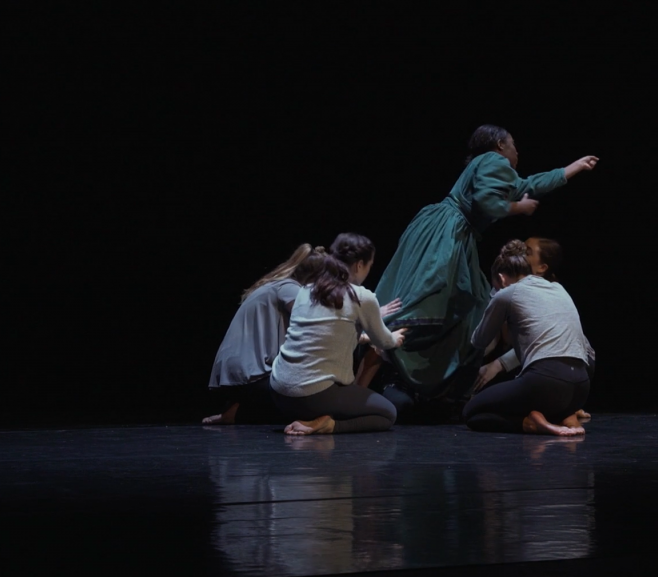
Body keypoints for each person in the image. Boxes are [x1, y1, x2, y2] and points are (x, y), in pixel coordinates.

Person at [372, 124, 599, 410]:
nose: (517, 150)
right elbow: (487, 201)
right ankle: (381, 342)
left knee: (473, 303)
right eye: (513, 144)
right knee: (432, 291)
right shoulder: (493, 160)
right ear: (500, 146)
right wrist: (518, 209)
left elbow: (527, 185)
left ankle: (446, 384)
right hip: (447, 231)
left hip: (455, 233)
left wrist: (571, 168)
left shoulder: (494, 169)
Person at [271, 233, 408, 435]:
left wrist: (363, 337)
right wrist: (395, 339)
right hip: (312, 395)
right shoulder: (361, 296)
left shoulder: (307, 290)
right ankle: (329, 425)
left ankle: (317, 417)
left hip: (279, 391)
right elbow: (384, 341)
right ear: (359, 265)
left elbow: (326, 334)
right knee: (388, 413)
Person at [463, 240, 591, 435]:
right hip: (581, 386)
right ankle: (562, 415)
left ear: (501, 279)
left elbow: (478, 341)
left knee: (471, 413)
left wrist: (496, 297)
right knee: (528, 395)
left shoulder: (506, 294)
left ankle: (530, 423)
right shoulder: (558, 288)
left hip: (546, 381)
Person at [203, 244, 328, 425]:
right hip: (250, 374)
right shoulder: (290, 289)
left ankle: (237, 407)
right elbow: (312, 322)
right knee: (309, 402)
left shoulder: (276, 285)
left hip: (237, 372)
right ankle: (237, 412)